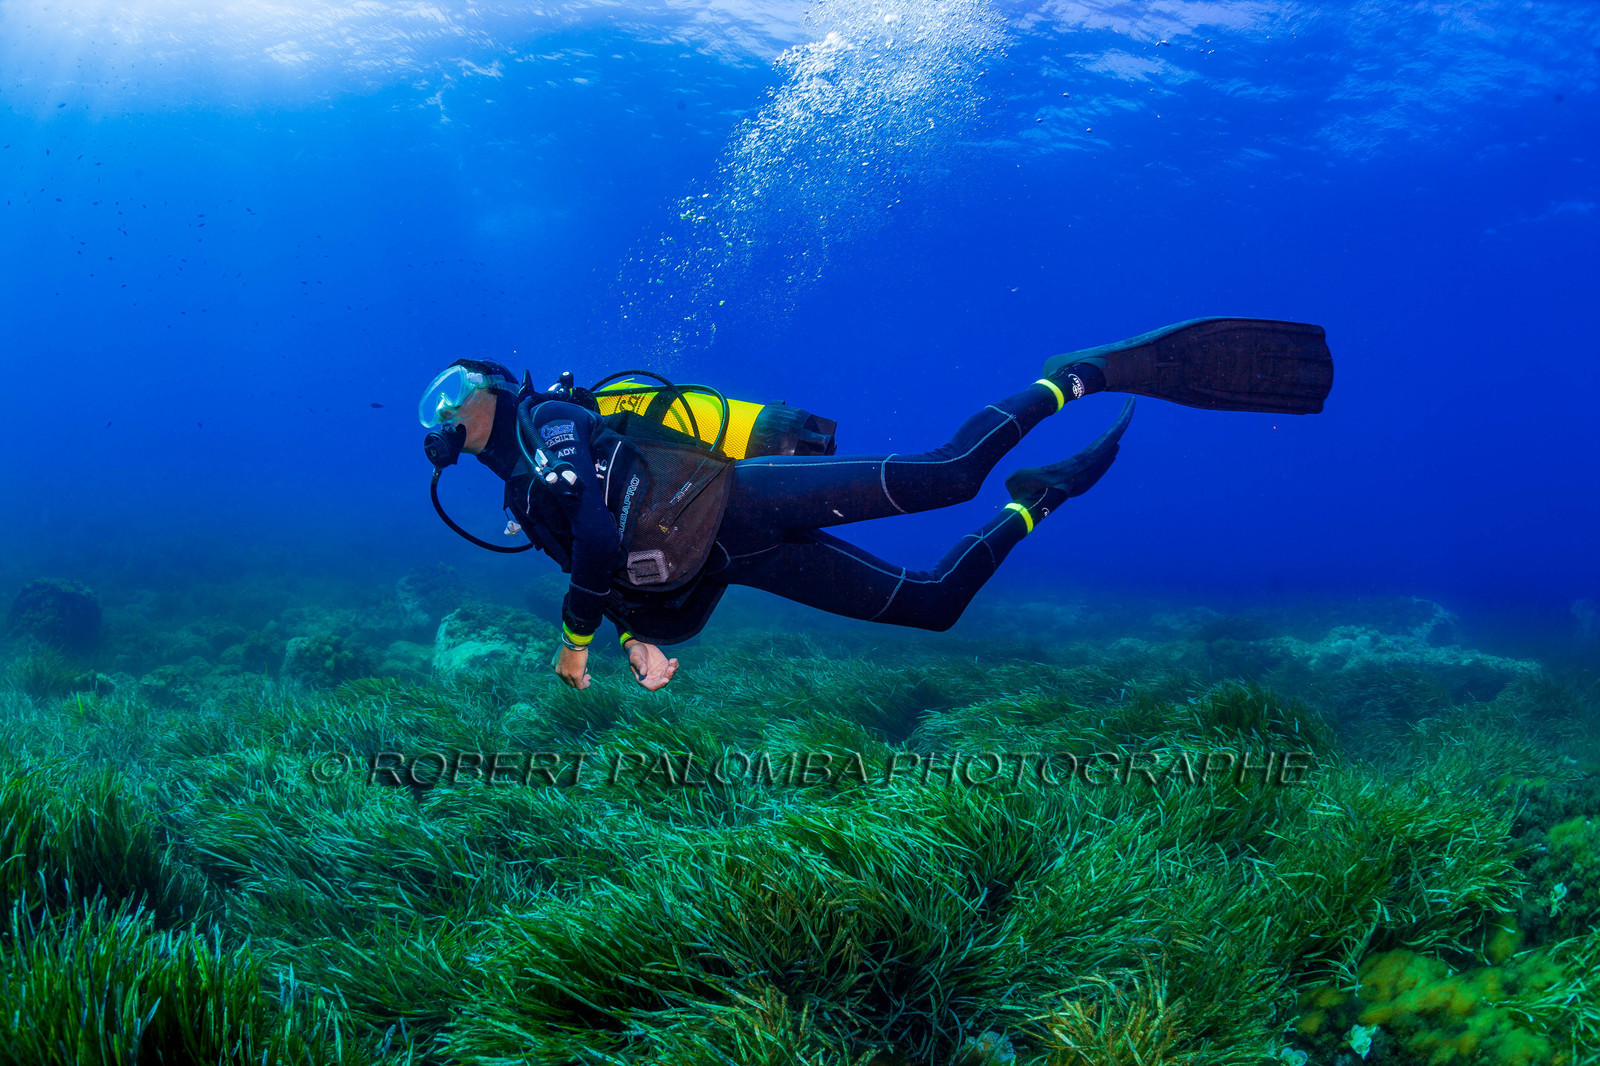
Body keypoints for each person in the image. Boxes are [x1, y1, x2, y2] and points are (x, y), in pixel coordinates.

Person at [419, 318, 1332, 692]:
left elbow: (591, 539)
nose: (445, 411)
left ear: (494, 392)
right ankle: (1038, 502)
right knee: (933, 609)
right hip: (727, 564)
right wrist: (632, 638)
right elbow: (607, 560)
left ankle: (1075, 378)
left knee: (945, 474)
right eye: (437, 407)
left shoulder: (551, 422)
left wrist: (576, 649)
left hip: (737, 504)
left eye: (456, 390)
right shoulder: (519, 490)